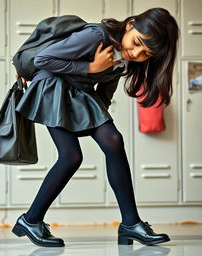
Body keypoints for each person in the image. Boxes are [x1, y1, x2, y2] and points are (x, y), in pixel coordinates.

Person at [12, 7, 179, 247]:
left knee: (113, 140)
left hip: (78, 95)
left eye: (146, 53)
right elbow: (44, 59)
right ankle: (31, 220)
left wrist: (97, 124)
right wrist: (90, 68)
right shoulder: (96, 36)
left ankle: (130, 224)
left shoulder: (124, 61)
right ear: (130, 24)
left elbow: (104, 95)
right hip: (52, 88)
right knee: (71, 156)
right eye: (138, 42)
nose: (137, 52)